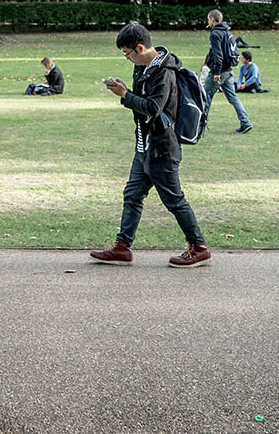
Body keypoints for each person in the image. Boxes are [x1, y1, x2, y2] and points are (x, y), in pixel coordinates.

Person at [90, 23, 211, 268]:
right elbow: (141, 102)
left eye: (127, 53)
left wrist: (125, 95)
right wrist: (127, 90)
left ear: (140, 47)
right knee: (132, 195)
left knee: (174, 200)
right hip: (144, 144)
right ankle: (122, 248)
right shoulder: (142, 67)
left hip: (162, 147)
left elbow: (154, 108)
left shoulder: (163, 71)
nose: (127, 58)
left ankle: (199, 247)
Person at [201, 10, 252, 133]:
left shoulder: (215, 34)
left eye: (209, 19)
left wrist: (217, 72)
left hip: (219, 72)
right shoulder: (227, 32)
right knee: (233, 98)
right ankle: (245, 122)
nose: (208, 22)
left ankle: (199, 127)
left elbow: (218, 56)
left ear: (213, 19)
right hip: (228, 71)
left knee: (205, 97)